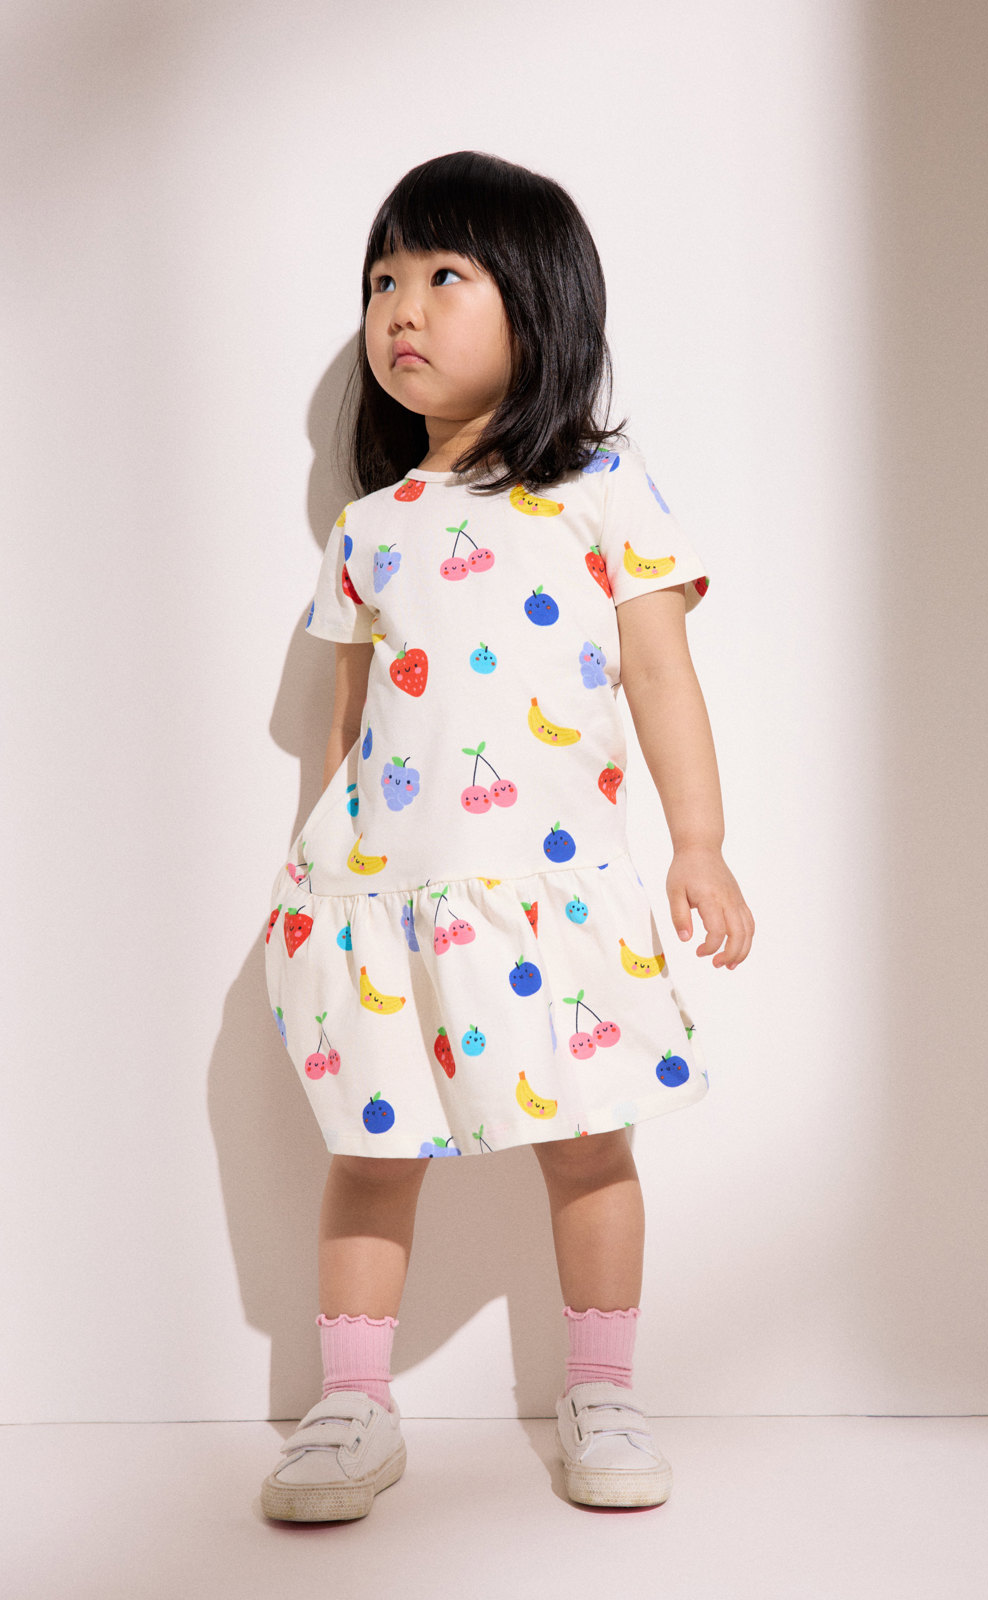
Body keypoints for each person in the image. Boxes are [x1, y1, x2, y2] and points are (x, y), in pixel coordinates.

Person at [259, 150, 754, 1522]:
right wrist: (310, 878)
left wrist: (698, 843)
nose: (401, 309)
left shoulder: (601, 485)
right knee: (371, 1150)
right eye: (381, 281)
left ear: (539, 305)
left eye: (442, 275)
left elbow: (660, 674)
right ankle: (350, 1404)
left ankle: (603, 1390)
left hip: (553, 891)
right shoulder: (370, 528)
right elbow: (347, 725)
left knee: (590, 1141)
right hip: (381, 901)